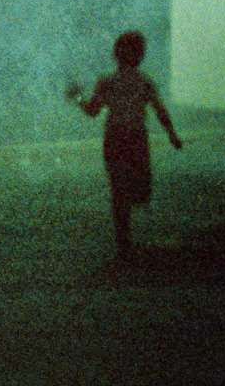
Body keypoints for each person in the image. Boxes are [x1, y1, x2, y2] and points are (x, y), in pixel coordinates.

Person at [66, 31, 183, 259]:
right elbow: (160, 110)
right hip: (136, 138)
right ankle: (126, 237)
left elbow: (92, 111)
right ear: (141, 55)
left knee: (119, 190)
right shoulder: (144, 82)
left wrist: (78, 97)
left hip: (115, 138)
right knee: (139, 188)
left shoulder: (107, 82)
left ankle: (123, 241)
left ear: (115, 55)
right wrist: (172, 134)